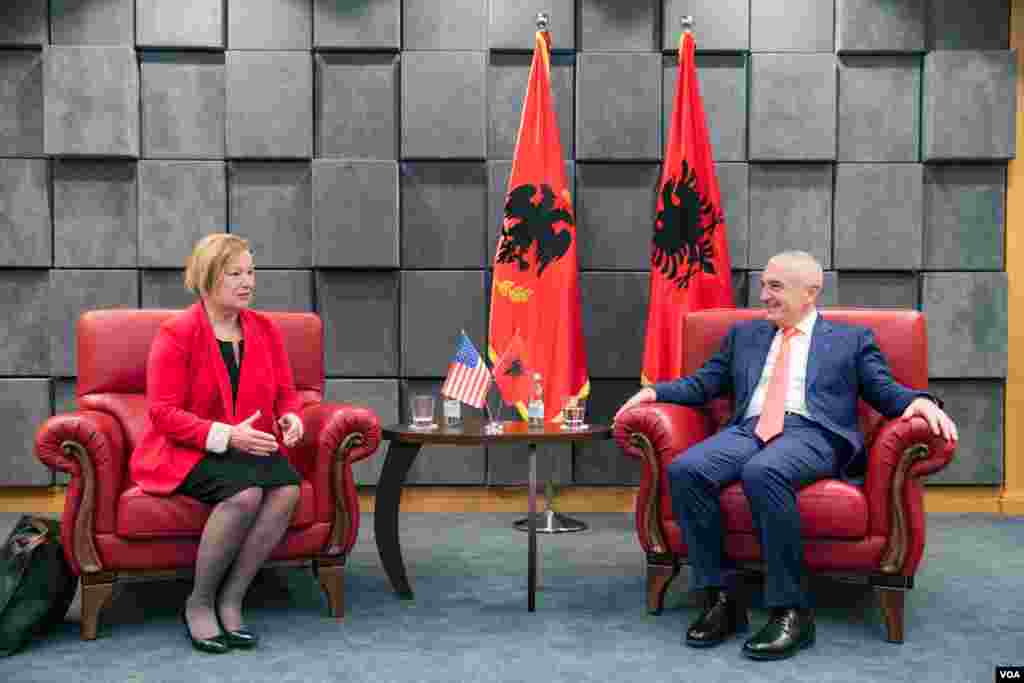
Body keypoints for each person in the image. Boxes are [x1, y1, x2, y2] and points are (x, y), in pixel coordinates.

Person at [614, 250, 957, 660]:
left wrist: (921, 403)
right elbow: (704, 384)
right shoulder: (746, 336)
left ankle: (791, 609)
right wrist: (655, 392)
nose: (763, 295)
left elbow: (885, 391)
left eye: (775, 286)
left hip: (813, 432)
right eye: (764, 285)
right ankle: (722, 598)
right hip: (749, 429)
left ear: (810, 292)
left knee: (765, 472)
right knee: (688, 469)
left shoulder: (850, 341)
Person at [130, 233, 305, 654]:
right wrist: (226, 435)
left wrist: (292, 416)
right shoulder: (177, 333)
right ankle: (200, 602)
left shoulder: (265, 330)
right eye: (236, 274)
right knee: (244, 496)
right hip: (187, 448)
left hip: (249, 446)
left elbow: (285, 390)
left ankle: (233, 597)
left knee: (287, 489)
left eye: (251, 272)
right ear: (209, 280)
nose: (248, 282)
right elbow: (163, 414)